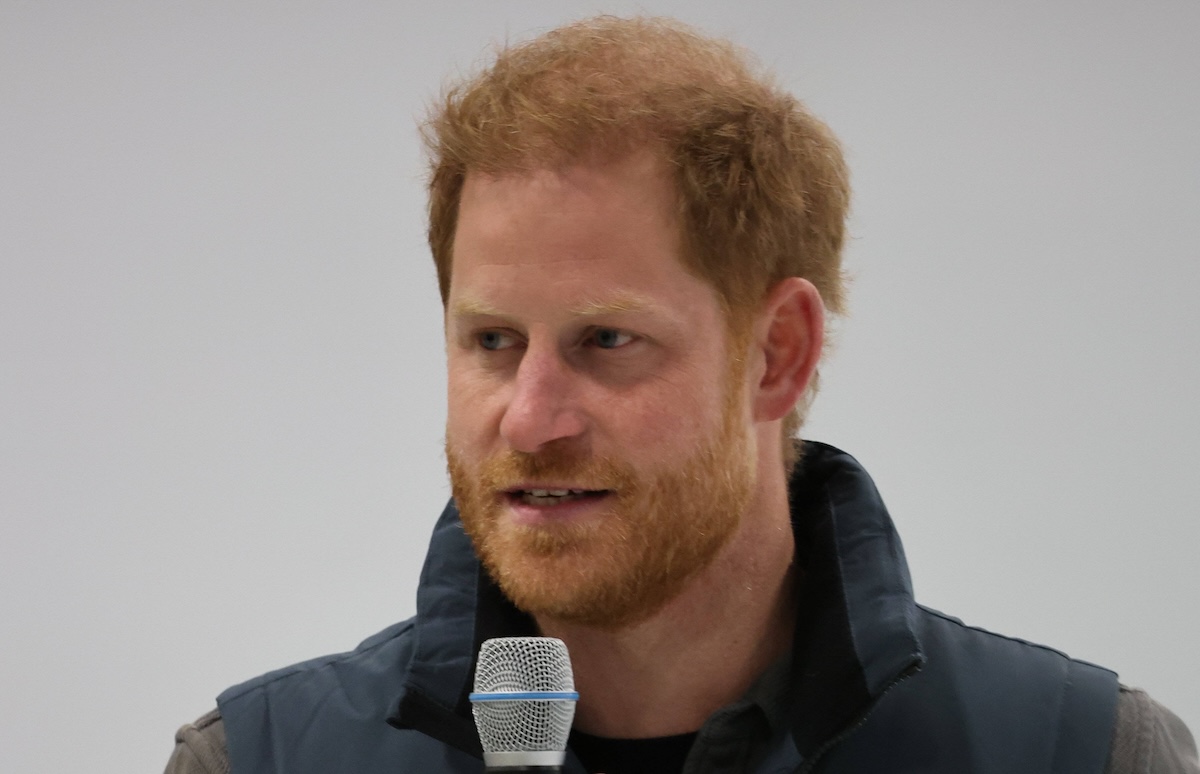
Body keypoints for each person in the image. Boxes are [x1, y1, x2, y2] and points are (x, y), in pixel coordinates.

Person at [165, 15, 1197, 774]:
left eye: (607, 340)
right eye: (492, 341)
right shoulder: (259, 762)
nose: (530, 417)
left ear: (777, 355)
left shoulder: (1088, 757)